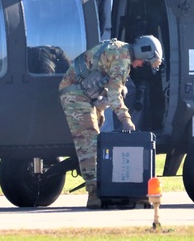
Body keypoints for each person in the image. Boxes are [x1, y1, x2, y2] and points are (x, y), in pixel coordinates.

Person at [59, 35, 163, 209]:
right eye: (144, 63)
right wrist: (127, 121)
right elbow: (114, 96)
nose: (140, 67)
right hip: (75, 95)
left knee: (97, 138)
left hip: (84, 94)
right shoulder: (122, 59)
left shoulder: (122, 52)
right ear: (141, 54)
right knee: (89, 140)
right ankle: (94, 194)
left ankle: (102, 187)